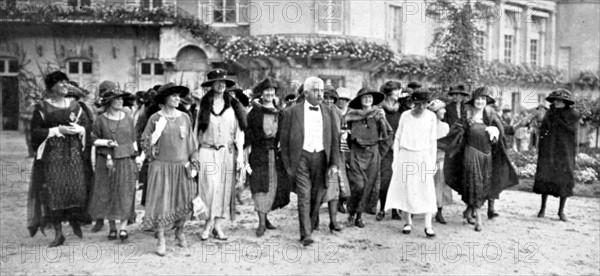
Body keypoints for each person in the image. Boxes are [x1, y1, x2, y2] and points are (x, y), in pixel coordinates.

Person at [27, 71, 93, 247]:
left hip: (74, 155)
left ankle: (74, 223)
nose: (65, 86)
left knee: (75, 190)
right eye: (61, 83)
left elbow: (88, 126)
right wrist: (56, 131)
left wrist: (80, 130)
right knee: (54, 191)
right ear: (52, 87)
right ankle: (58, 233)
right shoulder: (42, 108)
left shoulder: (75, 107)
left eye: (66, 83)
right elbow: (34, 133)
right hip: (53, 155)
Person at [442, 86, 518, 231]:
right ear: (473, 101)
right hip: (471, 155)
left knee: (483, 186)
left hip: (487, 156)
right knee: (475, 184)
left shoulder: (491, 117)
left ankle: (469, 211)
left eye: (483, 99)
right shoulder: (466, 117)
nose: (481, 102)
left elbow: (500, 136)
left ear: (486, 102)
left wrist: (495, 134)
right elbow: (455, 134)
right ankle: (479, 220)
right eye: (478, 99)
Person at [280, 77, 340, 246]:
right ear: (306, 93)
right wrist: (288, 165)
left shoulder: (329, 112)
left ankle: (311, 223)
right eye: (315, 91)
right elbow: (284, 142)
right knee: (304, 196)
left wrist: (334, 163)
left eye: (321, 91)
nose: (320, 94)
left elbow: (334, 139)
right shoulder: (292, 112)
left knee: (317, 195)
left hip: (321, 157)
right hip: (301, 158)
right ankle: (305, 233)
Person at [141, 83, 199, 256]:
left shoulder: (185, 117)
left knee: (184, 200)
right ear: (164, 99)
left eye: (178, 96)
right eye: (173, 96)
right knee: (162, 203)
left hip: (182, 166)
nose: (177, 99)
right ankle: (161, 238)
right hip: (161, 167)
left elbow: (191, 142)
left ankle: (179, 232)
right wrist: (155, 135)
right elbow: (145, 144)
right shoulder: (154, 118)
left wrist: (194, 163)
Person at [196, 69, 247, 241]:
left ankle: (216, 225)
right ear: (211, 85)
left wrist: (240, 156)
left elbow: (239, 132)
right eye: (217, 82)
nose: (221, 85)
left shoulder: (233, 106)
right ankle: (208, 223)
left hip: (226, 152)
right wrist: (194, 154)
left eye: (223, 82)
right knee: (209, 189)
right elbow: (196, 131)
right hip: (207, 151)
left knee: (223, 190)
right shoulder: (203, 106)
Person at [88, 87, 139, 241]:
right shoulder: (100, 119)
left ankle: (123, 227)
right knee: (107, 192)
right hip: (107, 160)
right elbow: (93, 139)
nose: (119, 101)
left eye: (121, 99)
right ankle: (112, 227)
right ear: (109, 102)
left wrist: (136, 158)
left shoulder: (128, 118)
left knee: (126, 192)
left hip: (126, 159)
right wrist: (106, 142)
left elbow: (133, 139)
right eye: (116, 99)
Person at [385, 89, 438, 237]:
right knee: (407, 188)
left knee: (426, 189)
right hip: (406, 155)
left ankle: (428, 225)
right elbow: (398, 138)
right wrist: (396, 160)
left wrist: (432, 162)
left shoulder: (431, 117)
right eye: (418, 103)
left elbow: (432, 141)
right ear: (413, 102)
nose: (421, 107)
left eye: (425, 104)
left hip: (423, 156)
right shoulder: (405, 116)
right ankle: (407, 222)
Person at [245, 78, 290, 237]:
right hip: (259, 154)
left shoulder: (280, 112)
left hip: (275, 155)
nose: (269, 93)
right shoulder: (254, 112)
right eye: (266, 91)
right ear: (261, 93)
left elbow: (284, 133)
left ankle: (266, 216)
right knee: (259, 187)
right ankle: (262, 222)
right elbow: (247, 134)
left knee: (273, 187)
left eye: (272, 91)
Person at [345, 88, 393, 228]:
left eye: (370, 97)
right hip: (356, 153)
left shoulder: (379, 115)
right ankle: (351, 211)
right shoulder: (351, 116)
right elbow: (344, 136)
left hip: (372, 154)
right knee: (358, 185)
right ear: (359, 100)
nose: (367, 99)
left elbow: (388, 135)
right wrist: (348, 154)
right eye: (364, 97)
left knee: (367, 187)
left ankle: (359, 216)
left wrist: (379, 153)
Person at [534, 89, 579, 222]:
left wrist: (559, 121)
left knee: (564, 179)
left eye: (560, 100)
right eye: (555, 100)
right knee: (545, 177)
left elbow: (572, 132)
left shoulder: (573, 115)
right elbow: (543, 130)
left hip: (564, 152)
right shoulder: (549, 113)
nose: (557, 102)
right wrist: (541, 143)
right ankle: (542, 208)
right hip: (549, 150)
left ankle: (561, 211)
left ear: (566, 102)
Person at [377, 80, 411, 221]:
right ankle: (383, 208)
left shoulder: (401, 108)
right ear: (388, 92)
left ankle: (395, 210)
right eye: (396, 90)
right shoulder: (380, 109)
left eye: (399, 90)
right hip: (385, 149)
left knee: (399, 180)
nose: (398, 92)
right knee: (385, 180)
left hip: (399, 148)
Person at [319, 85, 346, 232]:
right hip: (318, 153)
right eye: (326, 98)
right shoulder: (316, 111)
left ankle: (333, 221)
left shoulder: (337, 112)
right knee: (316, 189)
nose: (328, 101)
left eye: (331, 98)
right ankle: (314, 219)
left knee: (333, 188)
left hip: (334, 154)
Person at [428, 99, 452, 224]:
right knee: (427, 183)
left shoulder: (445, 126)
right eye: (442, 109)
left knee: (441, 183)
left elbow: (448, 143)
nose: (444, 111)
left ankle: (439, 212)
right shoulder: (427, 126)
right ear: (435, 111)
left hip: (442, 157)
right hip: (428, 157)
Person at [335, 87, 352, 214]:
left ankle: (346, 200)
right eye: (340, 99)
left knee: (350, 172)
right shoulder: (333, 112)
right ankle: (339, 200)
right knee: (339, 173)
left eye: (345, 100)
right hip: (338, 146)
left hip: (350, 147)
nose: (342, 102)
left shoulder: (351, 113)